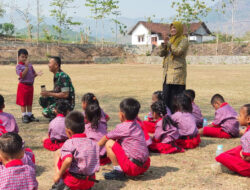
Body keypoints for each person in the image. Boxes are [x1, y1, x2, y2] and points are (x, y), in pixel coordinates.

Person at [98, 98, 150, 180]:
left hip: (132, 168)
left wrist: (94, 147)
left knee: (109, 143)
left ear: (122, 114)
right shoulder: (137, 124)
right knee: (118, 142)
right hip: (145, 165)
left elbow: (105, 138)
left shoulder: (122, 127)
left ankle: (118, 171)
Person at [52, 111, 99, 190]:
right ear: (84, 128)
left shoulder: (70, 143)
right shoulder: (93, 143)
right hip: (89, 181)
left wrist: (59, 175)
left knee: (59, 154)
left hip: (74, 182)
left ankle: (59, 183)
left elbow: (67, 160)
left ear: (68, 131)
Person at [160, 22, 189, 113]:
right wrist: (164, 45)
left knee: (176, 99)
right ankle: (167, 117)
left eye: (175, 28)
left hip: (177, 75)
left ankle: (177, 118)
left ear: (179, 29)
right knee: (166, 97)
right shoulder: (171, 40)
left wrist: (169, 44)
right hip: (167, 75)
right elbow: (161, 54)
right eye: (171, 28)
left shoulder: (183, 40)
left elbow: (178, 51)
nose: (172, 30)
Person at [216, 104, 250, 177]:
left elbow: (247, 158)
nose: (237, 117)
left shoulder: (247, 136)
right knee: (239, 148)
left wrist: (242, 155)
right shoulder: (247, 131)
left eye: (240, 115)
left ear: (248, 119)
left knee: (222, 157)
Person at [16, 49, 42, 123]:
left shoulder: (30, 65)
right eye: (22, 57)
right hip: (23, 86)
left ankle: (30, 115)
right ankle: (24, 116)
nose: (24, 59)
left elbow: (33, 75)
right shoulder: (18, 66)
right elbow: (22, 76)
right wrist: (26, 67)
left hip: (30, 86)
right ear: (18, 57)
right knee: (23, 102)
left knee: (29, 101)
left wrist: (37, 74)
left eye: (26, 57)